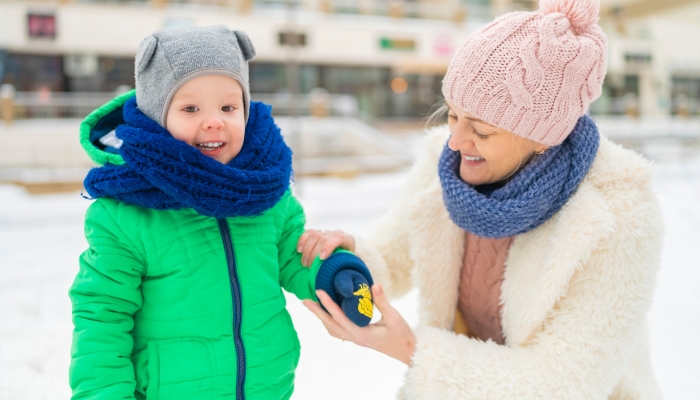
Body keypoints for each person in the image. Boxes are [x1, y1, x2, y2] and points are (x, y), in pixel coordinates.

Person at [299, 0, 664, 398]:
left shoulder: (619, 211)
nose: (455, 141)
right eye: (452, 114)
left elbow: (565, 380)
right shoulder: (444, 165)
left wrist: (413, 350)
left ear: (542, 137)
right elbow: (395, 257)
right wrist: (352, 260)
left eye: (481, 130)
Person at [68, 25, 373, 400]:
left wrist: (333, 272)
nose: (214, 121)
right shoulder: (124, 214)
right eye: (191, 108)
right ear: (154, 116)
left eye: (229, 107)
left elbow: (294, 255)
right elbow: (102, 320)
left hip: (267, 388)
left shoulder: (264, 192)